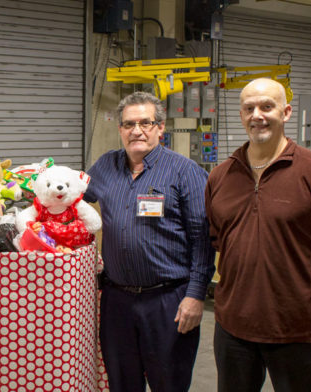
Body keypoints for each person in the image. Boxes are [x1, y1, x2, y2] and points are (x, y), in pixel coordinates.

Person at [84, 91, 215, 391]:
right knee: (121, 383)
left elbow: (203, 239)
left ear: (160, 127)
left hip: (168, 301)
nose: (137, 131)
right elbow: (69, 198)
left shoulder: (186, 172)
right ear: (120, 129)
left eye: (146, 122)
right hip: (117, 301)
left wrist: (195, 295)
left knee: (168, 383)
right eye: (129, 124)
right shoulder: (105, 166)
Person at [205, 78, 311, 391]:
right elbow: (219, 239)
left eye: (266, 107)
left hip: (298, 328)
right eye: (248, 108)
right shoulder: (221, 176)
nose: (257, 114)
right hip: (233, 327)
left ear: (285, 112)